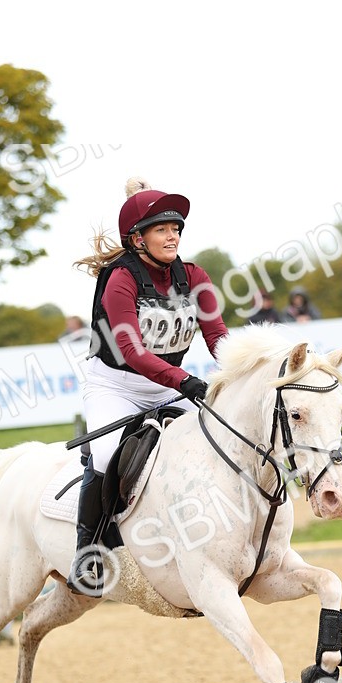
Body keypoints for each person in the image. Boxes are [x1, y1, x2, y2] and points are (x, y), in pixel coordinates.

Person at [68, 177, 228, 595]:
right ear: (137, 239)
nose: (173, 235)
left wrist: (239, 370)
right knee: (105, 455)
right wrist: (186, 381)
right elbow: (133, 352)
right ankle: (89, 552)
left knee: (221, 440)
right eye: (162, 228)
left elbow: (217, 337)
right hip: (115, 385)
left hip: (169, 386)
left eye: (176, 228)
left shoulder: (194, 275)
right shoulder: (119, 280)